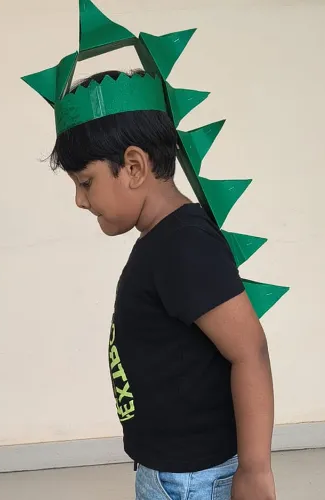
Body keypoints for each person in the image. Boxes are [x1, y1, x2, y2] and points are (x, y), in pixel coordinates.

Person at [50, 69, 277, 500]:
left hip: (191, 480)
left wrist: (254, 471)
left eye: (86, 182)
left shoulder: (184, 245)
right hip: (172, 471)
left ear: (133, 167)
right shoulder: (165, 240)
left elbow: (250, 351)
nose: (80, 200)